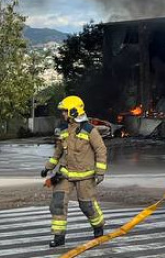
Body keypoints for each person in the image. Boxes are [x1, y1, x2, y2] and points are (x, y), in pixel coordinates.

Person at [41, 95, 108, 248]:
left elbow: (101, 150)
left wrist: (100, 172)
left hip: (85, 176)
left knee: (86, 206)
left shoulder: (90, 130)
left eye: (65, 111)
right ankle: (59, 237)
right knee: (57, 203)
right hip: (65, 175)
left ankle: (98, 227)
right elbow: (58, 152)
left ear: (73, 111)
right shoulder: (63, 131)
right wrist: (47, 167)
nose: (63, 114)